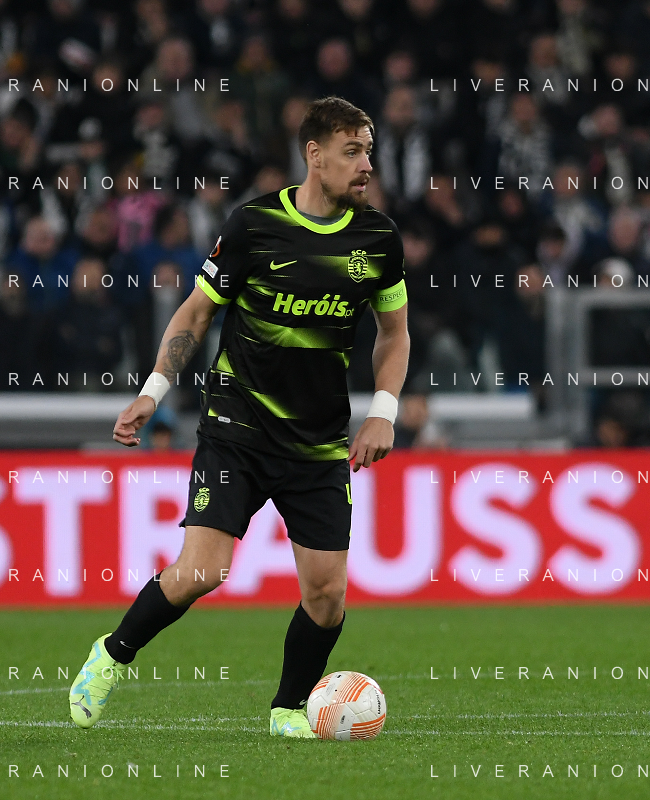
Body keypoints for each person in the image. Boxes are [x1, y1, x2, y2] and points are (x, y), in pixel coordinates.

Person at [68, 97, 410, 738]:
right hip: (237, 430)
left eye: (369, 151)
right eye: (352, 152)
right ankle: (111, 654)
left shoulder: (378, 239)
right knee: (202, 572)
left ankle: (287, 710)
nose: (366, 165)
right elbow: (197, 312)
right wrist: (152, 391)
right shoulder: (255, 225)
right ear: (314, 155)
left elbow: (394, 333)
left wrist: (383, 412)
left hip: (317, 442)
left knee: (327, 595)